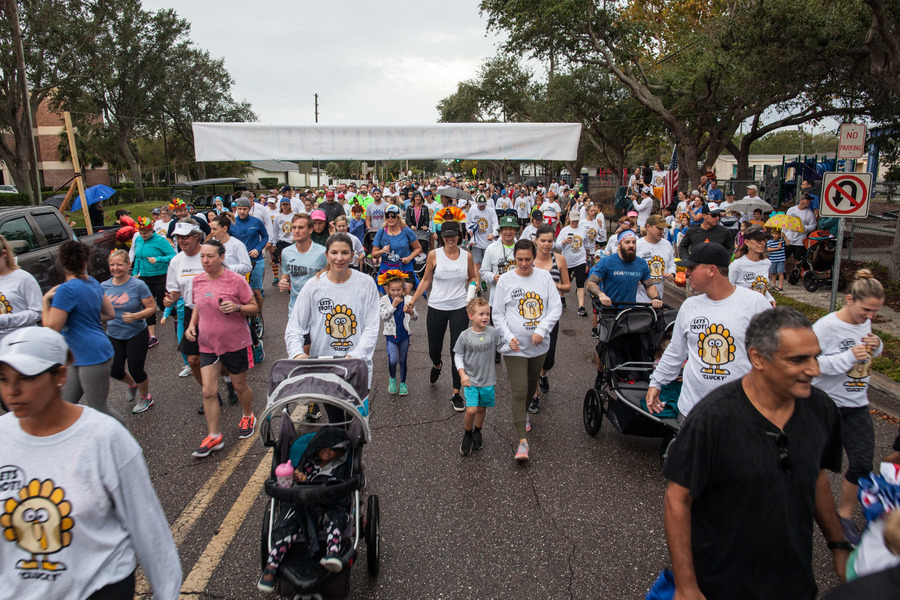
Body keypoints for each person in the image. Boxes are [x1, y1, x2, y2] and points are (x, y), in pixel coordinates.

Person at [663, 307, 848, 600]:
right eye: (798, 360)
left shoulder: (822, 409)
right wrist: (686, 587)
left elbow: (816, 477)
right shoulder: (712, 419)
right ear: (758, 358)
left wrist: (838, 544)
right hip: (722, 585)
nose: (814, 370)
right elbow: (677, 499)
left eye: (815, 357)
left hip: (794, 585)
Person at [0, 327, 181, 598]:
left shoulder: (105, 437)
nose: (11, 391)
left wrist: (166, 592)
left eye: (27, 378)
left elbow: (148, 527)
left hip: (97, 588)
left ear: (59, 375)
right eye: (3, 379)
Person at [646, 243, 772, 418]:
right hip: (692, 411)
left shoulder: (755, 303)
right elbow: (675, 350)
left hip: (740, 413)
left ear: (712, 270)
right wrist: (656, 382)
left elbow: (775, 352)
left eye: (692, 268)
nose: (687, 272)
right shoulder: (690, 306)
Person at [812, 269, 885, 545]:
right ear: (850, 299)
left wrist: (877, 345)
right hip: (825, 406)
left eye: (875, 312)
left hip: (857, 405)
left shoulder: (864, 322)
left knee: (863, 464)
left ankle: (843, 516)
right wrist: (847, 357)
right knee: (813, 466)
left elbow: (866, 350)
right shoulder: (825, 327)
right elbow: (811, 364)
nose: (870, 316)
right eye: (866, 310)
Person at [185, 239, 258, 458]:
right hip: (208, 344)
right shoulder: (197, 281)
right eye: (202, 256)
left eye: (210, 256)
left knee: (239, 385)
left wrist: (237, 307)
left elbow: (253, 307)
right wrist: (191, 325)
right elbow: (198, 306)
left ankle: (248, 415)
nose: (205, 260)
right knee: (208, 391)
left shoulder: (235, 280)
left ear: (222, 257)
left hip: (236, 342)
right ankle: (214, 435)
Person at [257, 427, 352, 592]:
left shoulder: (339, 468)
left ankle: (333, 552)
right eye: (324, 447)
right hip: (303, 506)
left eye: (333, 449)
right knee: (288, 522)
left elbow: (342, 492)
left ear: (340, 452)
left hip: (329, 506)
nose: (327, 451)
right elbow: (293, 485)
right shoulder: (307, 465)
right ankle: (271, 566)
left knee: (337, 518)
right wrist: (297, 479)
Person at [492, 239, 562, 461]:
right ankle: (522, 441)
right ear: (514, 258)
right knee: (520, 389)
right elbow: (498, 314)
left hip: (539, 346)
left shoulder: (544, 278)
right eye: (519, 259)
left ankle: (523, 412)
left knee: (531, 385)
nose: (523, 264)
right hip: (514, 347)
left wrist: (542, 329)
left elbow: (555, 307)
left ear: (534, 257)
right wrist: (508, 337)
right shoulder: (506, 280)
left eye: (528, 259)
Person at [285, 233, 380, 395]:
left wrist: (356, 355)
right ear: (326, 255)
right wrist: (297, 353)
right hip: (324, 368)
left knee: (355, 411)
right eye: (334, 252)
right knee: (332, 411)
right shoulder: (313, 285)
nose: (339, 258)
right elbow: (295, 327)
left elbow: (371, 328)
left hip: (356, 367)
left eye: (345, 253)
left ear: (352, 255)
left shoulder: (366, 283)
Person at [42, 240, 120, 423]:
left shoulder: (65, 290)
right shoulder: (92, 282)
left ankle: (125, 438)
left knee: (99, 409)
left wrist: (45, 302)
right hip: (79, 354)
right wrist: (84, 317)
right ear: (85, 262)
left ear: (62, 263)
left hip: (92, 355)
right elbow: (109, 314)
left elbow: (52, 329)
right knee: (65, 404)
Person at [407, 220, 476, 412]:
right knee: (433, 349)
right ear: (441, 237)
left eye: (453, 235)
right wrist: (413, 300)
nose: (450, 238)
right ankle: (437, 365)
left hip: (459, 307)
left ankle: (456, 393)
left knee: (457, 351)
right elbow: (426, 280)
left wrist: (474, 284)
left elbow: (472, 276)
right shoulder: (434, 255)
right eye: (446, 235)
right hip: (436, 306)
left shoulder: (467, 256)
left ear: (459, 236)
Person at [102, 250, 157, 414]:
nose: (115, 268)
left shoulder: (138, 285)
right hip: (113, 334)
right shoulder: (103, 286)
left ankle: (145, 397)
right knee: (114, 370)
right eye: (112, 264)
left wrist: (135, 316)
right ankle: (132, 384)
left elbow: (151, 307)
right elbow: (98, 309)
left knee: (136, 369)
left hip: (136, 333)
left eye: (119, 264)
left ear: (128, 265)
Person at [163, 220, 206, 406]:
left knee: (224, 358)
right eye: (178, 237)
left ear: (196, 236)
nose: (181, 241)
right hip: (191, 311)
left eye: (185, 237)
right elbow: (175, 291)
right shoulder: (176, 261)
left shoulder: (209, 254)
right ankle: (209, 393)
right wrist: (170, 300)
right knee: (193, 359)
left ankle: (228, 380)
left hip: (214, 312)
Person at [532, 224, 570, 414]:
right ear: (536, 240)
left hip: (551, 316)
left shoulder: (559, 259)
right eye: (543, 241)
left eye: (550, 241)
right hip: (530, 314)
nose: (546, 244)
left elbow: (567, 286)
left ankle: (543, 374)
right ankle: (534, 396)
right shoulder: (529, 260)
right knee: (533, 356)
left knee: (549, 359)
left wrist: (554, 285)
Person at [455, 297, 501, 456]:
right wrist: (462, 374)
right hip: (471, 380)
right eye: (481, 314)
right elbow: (458, 355)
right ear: (471, 316)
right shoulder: (465, 336)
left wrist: (512, 345)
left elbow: (502, 347)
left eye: (487, 314)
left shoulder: (493, 333)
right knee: (471, 410)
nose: (485, 317)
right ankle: (468, 433)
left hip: (488, 380)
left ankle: (477, 432)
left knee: (481, 409)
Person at [130, 216, 176, 348]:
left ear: (151, 230)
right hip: (144, 277)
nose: (143, 235)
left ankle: (177, 318)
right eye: (141, 233)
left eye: (145, 233)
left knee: (162, 304)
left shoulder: (160, 241)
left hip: (160, 276)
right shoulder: (138, 240)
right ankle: (152, 336)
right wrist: (135, 273)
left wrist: (158, 259)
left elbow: (173, 255)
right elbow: (138, 258)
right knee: (148, 306)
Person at [379, 270, 416, 396]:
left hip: (404, 335)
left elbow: (416, 317)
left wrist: (411, 312)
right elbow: (384, 316)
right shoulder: (384, 300)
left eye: (398, 290)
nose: (395, 293)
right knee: (393, 360)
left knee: (402, 360)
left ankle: (403, 383)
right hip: (390, 335)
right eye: (393, 290)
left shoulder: (408, 299)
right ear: (388, 289)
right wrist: (393, 305)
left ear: (403, 289)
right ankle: (393, 378)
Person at [0, 234, 42, 344]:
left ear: (4, 254)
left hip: (22, 341)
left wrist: (6, 319)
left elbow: (38, 312)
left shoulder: (23, 278)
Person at [231, 197, 269, 314]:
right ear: (236, 209)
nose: (242, 212)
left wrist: (258, 249)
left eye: (245, 209)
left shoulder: (256, 222)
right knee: (239, 291)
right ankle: (243, 315)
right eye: (240, 209)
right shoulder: (232, 223)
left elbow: (265, 236)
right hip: (239, 262)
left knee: (256, 290)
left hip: (256, 260)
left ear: (250, 209)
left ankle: (259, 316)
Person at [372, 205, 422, 294]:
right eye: (387, 216)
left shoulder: (406, 231)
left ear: (398, 217)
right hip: (387, 268)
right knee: (392, 297)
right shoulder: (381, 232)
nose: (390, 218)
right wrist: (382, 251)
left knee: (404, 296)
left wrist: (409, 258)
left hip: (404, 267)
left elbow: (418, 248)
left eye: (393, 216)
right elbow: (374, 254)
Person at [728, 224, 776, 306]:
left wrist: (770, 299)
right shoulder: (737, 265)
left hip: (760, 307)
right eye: (758, 240)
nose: (762, 243)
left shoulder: (766, 263)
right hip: (741, 306)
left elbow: (761, 287)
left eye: (764, 240)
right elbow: (728, 289)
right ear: (747, 242)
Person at [555, 210, 589, 316]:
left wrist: (589, 255)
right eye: (573, 221)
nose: (574, 223)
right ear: (569, 219)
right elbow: (557, 245)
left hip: (580, 260)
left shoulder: (583, 230)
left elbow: (587, 244)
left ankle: (581, 307)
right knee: (565, 282)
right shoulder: (565, 230)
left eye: (576, 221)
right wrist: (564, 241)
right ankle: (562, 297)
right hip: (567, 260)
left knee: (580, 283)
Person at [635, 214, 676, 304]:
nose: (662, 232)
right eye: (659, 228)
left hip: (658, 299)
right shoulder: (637, 245)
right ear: (648, 227)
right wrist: (633, 278)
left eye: (663, 229)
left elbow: (671, 264)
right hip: (638, 299)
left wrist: (672, 273)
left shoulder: (667, 245)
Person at [466, 194, 499, 288]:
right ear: (477, 203)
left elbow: (496, 224)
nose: (482, 207)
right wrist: (469, 230)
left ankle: (484, 280)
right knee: (476, 263)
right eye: (480, 205)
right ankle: (477, 282)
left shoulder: (491, 210)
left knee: (486, 264)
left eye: (483, 205)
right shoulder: (472, 209)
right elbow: (467, 223)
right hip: (476, 241)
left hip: (488, 242)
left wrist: (493, 234)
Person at [785, 193, 818, 265]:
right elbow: (785, 223)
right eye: (807, 200)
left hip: (800, 240)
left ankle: (796, 271)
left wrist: (804, 228)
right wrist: (784, 235)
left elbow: (813, 226)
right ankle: (783, 271)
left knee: (798, 259)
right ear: (801, 200)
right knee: (784, 258)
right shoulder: (791, 210)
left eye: (810, 200)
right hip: (789, 237)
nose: (809, 202)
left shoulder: (810, 213)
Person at [768, 227, 787, 291]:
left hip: (780, 259)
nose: (774, 235)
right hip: (773, 259)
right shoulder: (770, 242)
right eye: (773, 234)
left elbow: (788, 243)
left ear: (779, 235)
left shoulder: (781, 241)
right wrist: (777, 248)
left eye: (776, 234)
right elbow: (769, 249)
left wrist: (785, 237)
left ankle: (780, 286)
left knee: (780, 272)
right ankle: (773, 284)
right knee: (773, 272)